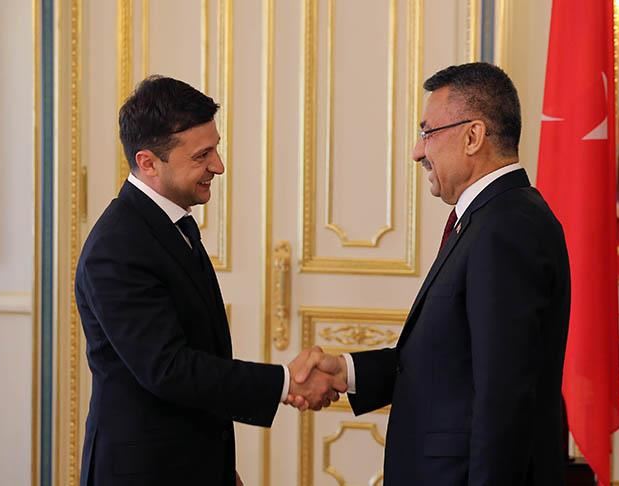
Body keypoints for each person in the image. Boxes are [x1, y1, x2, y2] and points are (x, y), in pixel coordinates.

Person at [292, 63, 571, 485]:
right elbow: (450, 363)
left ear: (473, 136)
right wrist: (345, 372)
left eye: (428, 133)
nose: (417, 152)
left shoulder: (506, 228)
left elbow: (504, 398)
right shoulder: (490, 218)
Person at [75, 75, 345, 486]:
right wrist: (286, 382)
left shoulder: (170, 225)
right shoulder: (117, 247)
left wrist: (217, 468)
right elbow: (169, 368)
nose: (218, 166)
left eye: (215, 148)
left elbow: (198, 355)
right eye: (202, 156)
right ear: (148, 163)